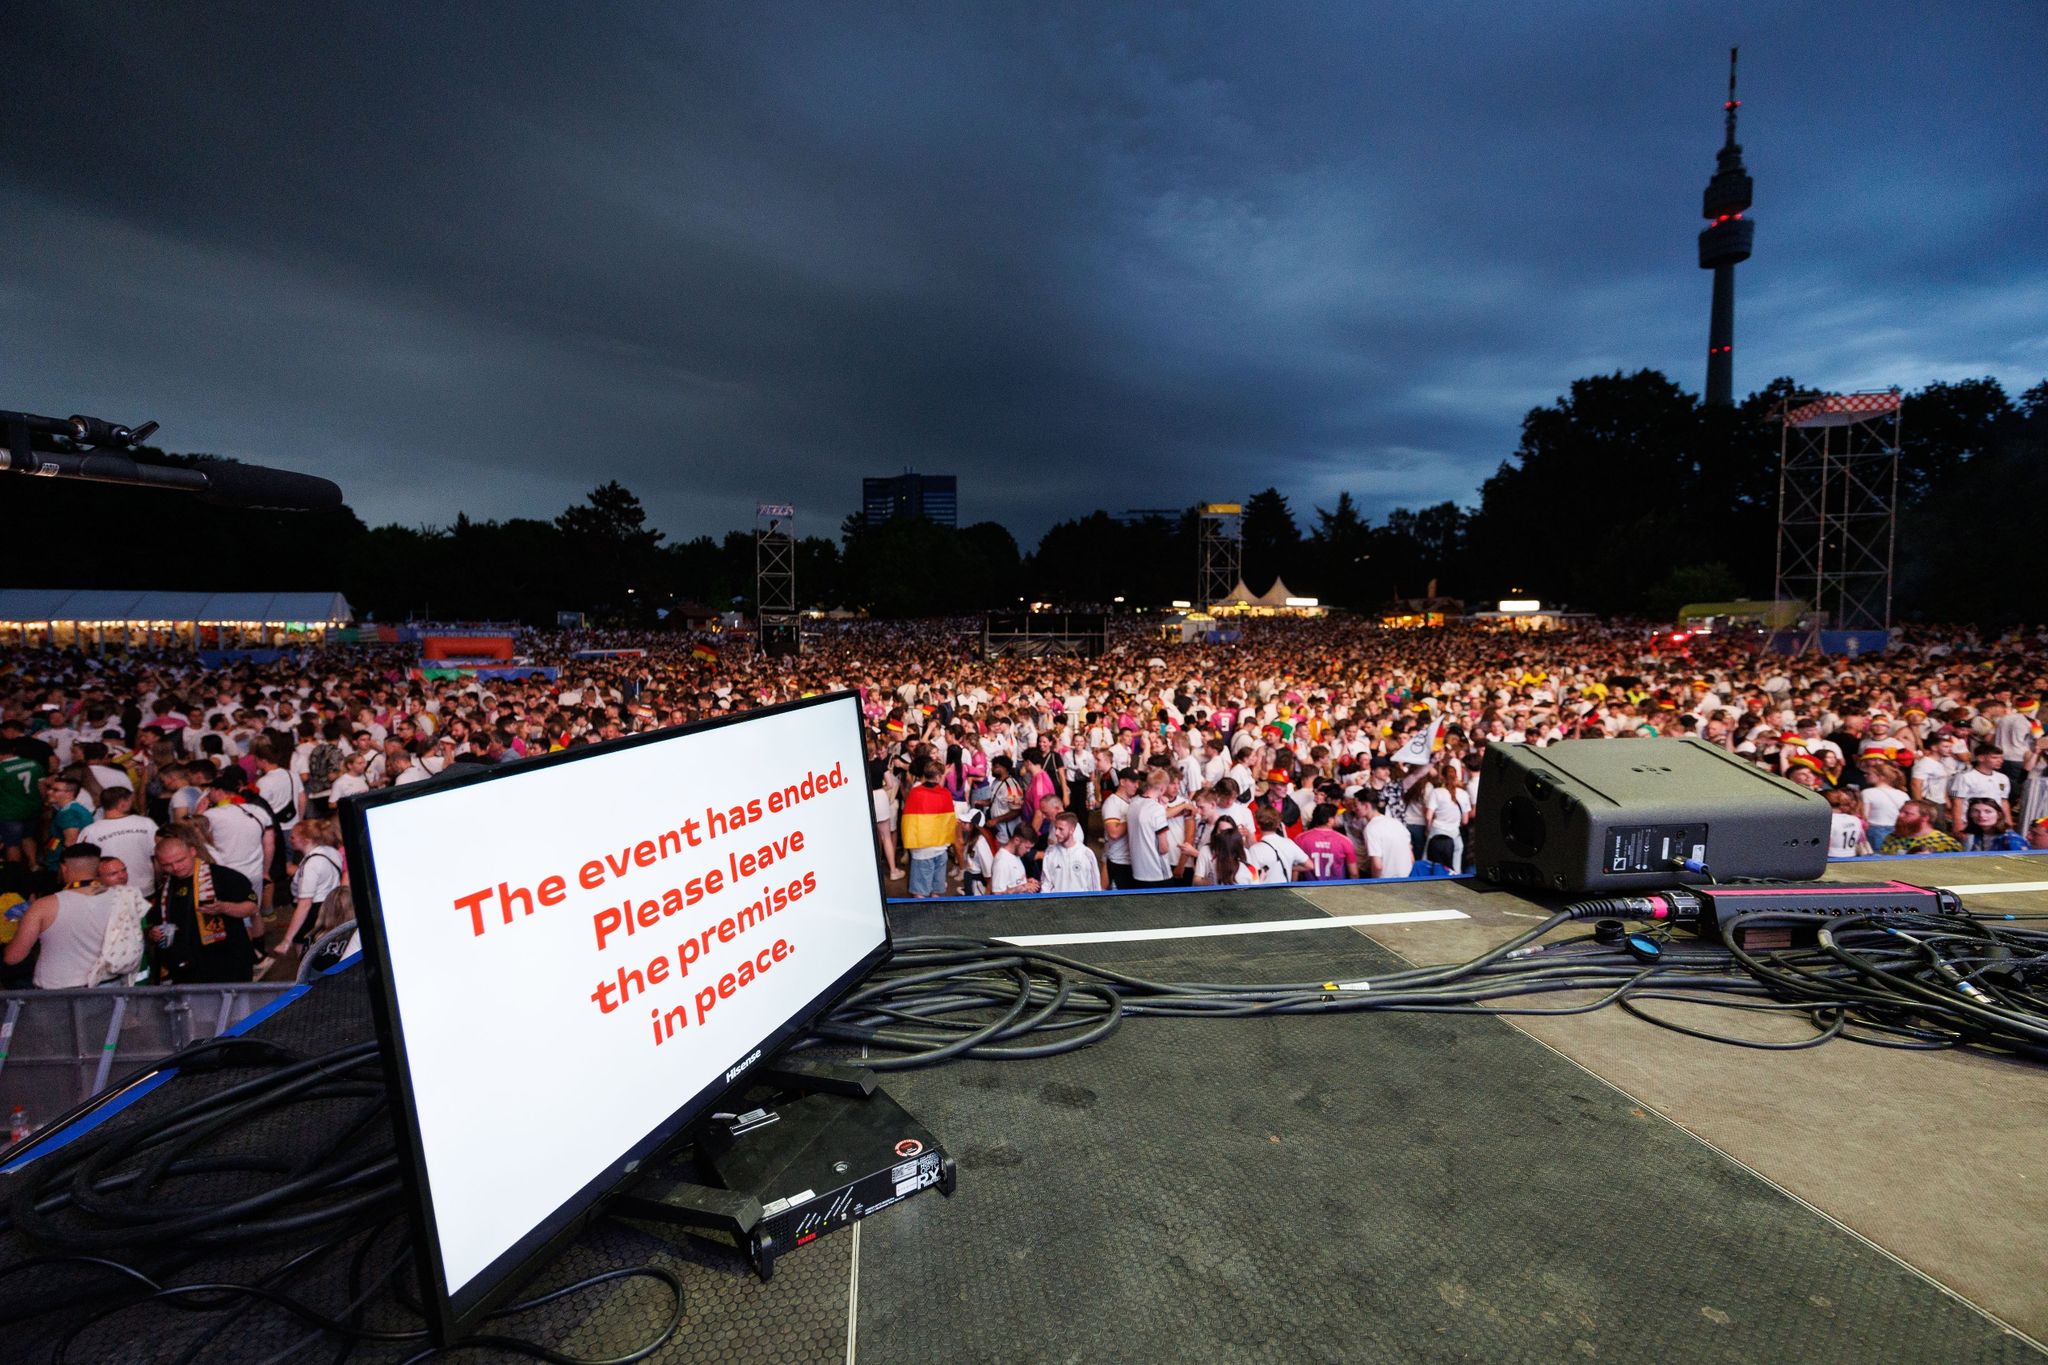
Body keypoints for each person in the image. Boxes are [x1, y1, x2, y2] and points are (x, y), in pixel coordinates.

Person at [147, 825, 261, 983]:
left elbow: (251, 907)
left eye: (180, 860)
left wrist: (224, 907)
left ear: (192, 852)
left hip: (227, 964)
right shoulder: (166, 888)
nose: (176, 868)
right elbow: (157, 921)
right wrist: (154, 933)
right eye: (167, 865)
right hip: (187, 968)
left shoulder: (224, 877)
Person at [3, 844, 124, 987]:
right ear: (98, 868)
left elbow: (13, 956)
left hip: (59, 991)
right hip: (110, 984)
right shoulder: (121, 899)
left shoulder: (43, 906)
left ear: (64, 868)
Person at [268, 818, 347, 978]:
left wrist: (287, 940)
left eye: (293, 837)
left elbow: (304, 904)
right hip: (330, 907)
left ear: (306, 840)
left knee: (305, 965)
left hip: (312, 914)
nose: (290, 840)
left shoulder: (312, 865)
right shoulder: (330, 851)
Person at [80, 786, 159, 898]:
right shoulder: (146, 824)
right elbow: (157, 858)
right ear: (123, 803)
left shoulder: (90, 831)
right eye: (131, 800)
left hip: (109, 894)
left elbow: (84, 867)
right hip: (145, 890)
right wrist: (159, 883)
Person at [898, 760, 960, 899]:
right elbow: (949, 822)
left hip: (922, 851)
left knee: (920, 892)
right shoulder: (945, 794)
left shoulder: (915, 793)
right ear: (938, 776)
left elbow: (908, 822)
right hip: (941, 848)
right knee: (936, 891)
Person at [1949, 744, 2013, 832]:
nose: (2000, 761)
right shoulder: (1965, 777)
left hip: (1995, 823)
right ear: (1981, 758)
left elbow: (2004, 801)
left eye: (2001, 758)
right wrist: (1958, 825)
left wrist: (2008, 822)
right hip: (1971, 823)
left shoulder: (2003, 778)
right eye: (1994, 758)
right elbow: (1957, 802)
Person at [1354, 790, 1415, 879]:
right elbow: (1411, 859)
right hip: (1406, 879)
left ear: (1366, 806)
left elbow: (1377, 866)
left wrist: (1374, 882)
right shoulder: (1396, 823)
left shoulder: (1371, 829)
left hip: (1385, 883)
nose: (1354, 809)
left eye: (1356, 805)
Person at [1039, 810, 1100, 894]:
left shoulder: (1086, 854)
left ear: (1072, 830)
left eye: (1061, 829)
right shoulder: (1050, 853)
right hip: (1057, 904)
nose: (1056, 833)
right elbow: (1046, 885)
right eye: (1055, 828)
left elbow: (1094, 887)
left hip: (1081, 904)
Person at [1294, 803, 1358, 881]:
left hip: (1308, 889)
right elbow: (1354, 873)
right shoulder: (1344, 841)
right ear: (1330, 820)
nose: (1337, 819)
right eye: (1336, 817)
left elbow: (1295, 869)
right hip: (1337, 889)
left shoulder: (1300, 839)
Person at [1245, 806, 1310, 883]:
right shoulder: (1289, 843)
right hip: (1284, 891)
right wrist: (1288, 867)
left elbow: (1253, 879)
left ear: (1258, 825)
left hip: (1264, 892)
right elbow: (1309, 865)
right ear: (1278, 824)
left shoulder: (1254, 849)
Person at [1877, 801, 1965, 856]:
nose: (1900, 816)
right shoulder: (1892, 838)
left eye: (1907, 813)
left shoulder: (1945, 842)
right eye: (1901, 812)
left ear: (1925, 818)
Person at [1857, 758, 1907, 851]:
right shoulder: (1903, 794)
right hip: (1899, 830)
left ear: (1881, 777)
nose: (1865, 775)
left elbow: (1865, 816)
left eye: (1869, 774)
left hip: (1875, 830)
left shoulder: (1868, 792)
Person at [1100, 768, 1138, 889]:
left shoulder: (1133, 801)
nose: (1136, 786)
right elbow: (1114, 832)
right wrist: (1134, 818)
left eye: (1137, 782)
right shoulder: (1112, 803)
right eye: (1133, 782)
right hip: (1119, 861)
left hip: (1132, 861)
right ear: (1122, 782)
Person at [1192, 817, 1254, 886]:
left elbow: (1253, 878)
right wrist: (1210, 882)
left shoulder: (1244, 852)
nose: (1225, 836)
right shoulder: (1206, 850)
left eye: (1229, 832)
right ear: (1215, 832)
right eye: (1222, 832)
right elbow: (1196, 881)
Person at [1959, 799, 2028, 853]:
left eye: (1988, 811)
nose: (1981, 815)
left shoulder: (2011, 840)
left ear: (1999, 815)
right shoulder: (1977, 835)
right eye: (1976, 811)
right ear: (1970, 815)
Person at [989, 829, 1039, 895]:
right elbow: (997, 893)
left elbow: (1012, 883)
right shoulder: (1002, 861)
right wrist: (1023, 887)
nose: (1028, 851)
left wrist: (1026, 882)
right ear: (1016, 840)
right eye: (1026, 847)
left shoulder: (1015, 855)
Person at [1825, 788, 1870, 859]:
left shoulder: (1828, 820)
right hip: (1851, 855)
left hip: (1832, 856)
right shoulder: (1856, 819)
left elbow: (1825, 844)